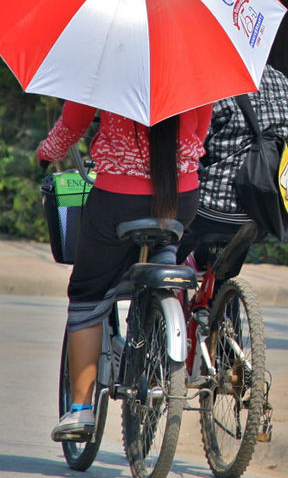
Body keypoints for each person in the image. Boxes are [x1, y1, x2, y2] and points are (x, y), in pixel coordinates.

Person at [38, 102, 212, 440]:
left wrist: (47, 151)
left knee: (88, 294)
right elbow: (199, 130)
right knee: (164, 252)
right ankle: (158, 323)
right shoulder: (192, 63)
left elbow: (74, 122)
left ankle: (80, 409)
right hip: (182, 197)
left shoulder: (108, 57)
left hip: (117, 199)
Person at [177, 65, 288, 275]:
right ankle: (222, 292)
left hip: (208, 210)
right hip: (264, 210)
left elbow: (192, 147)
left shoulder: (210, 83)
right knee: (222, 271)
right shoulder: (285, 83)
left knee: (167, 250)